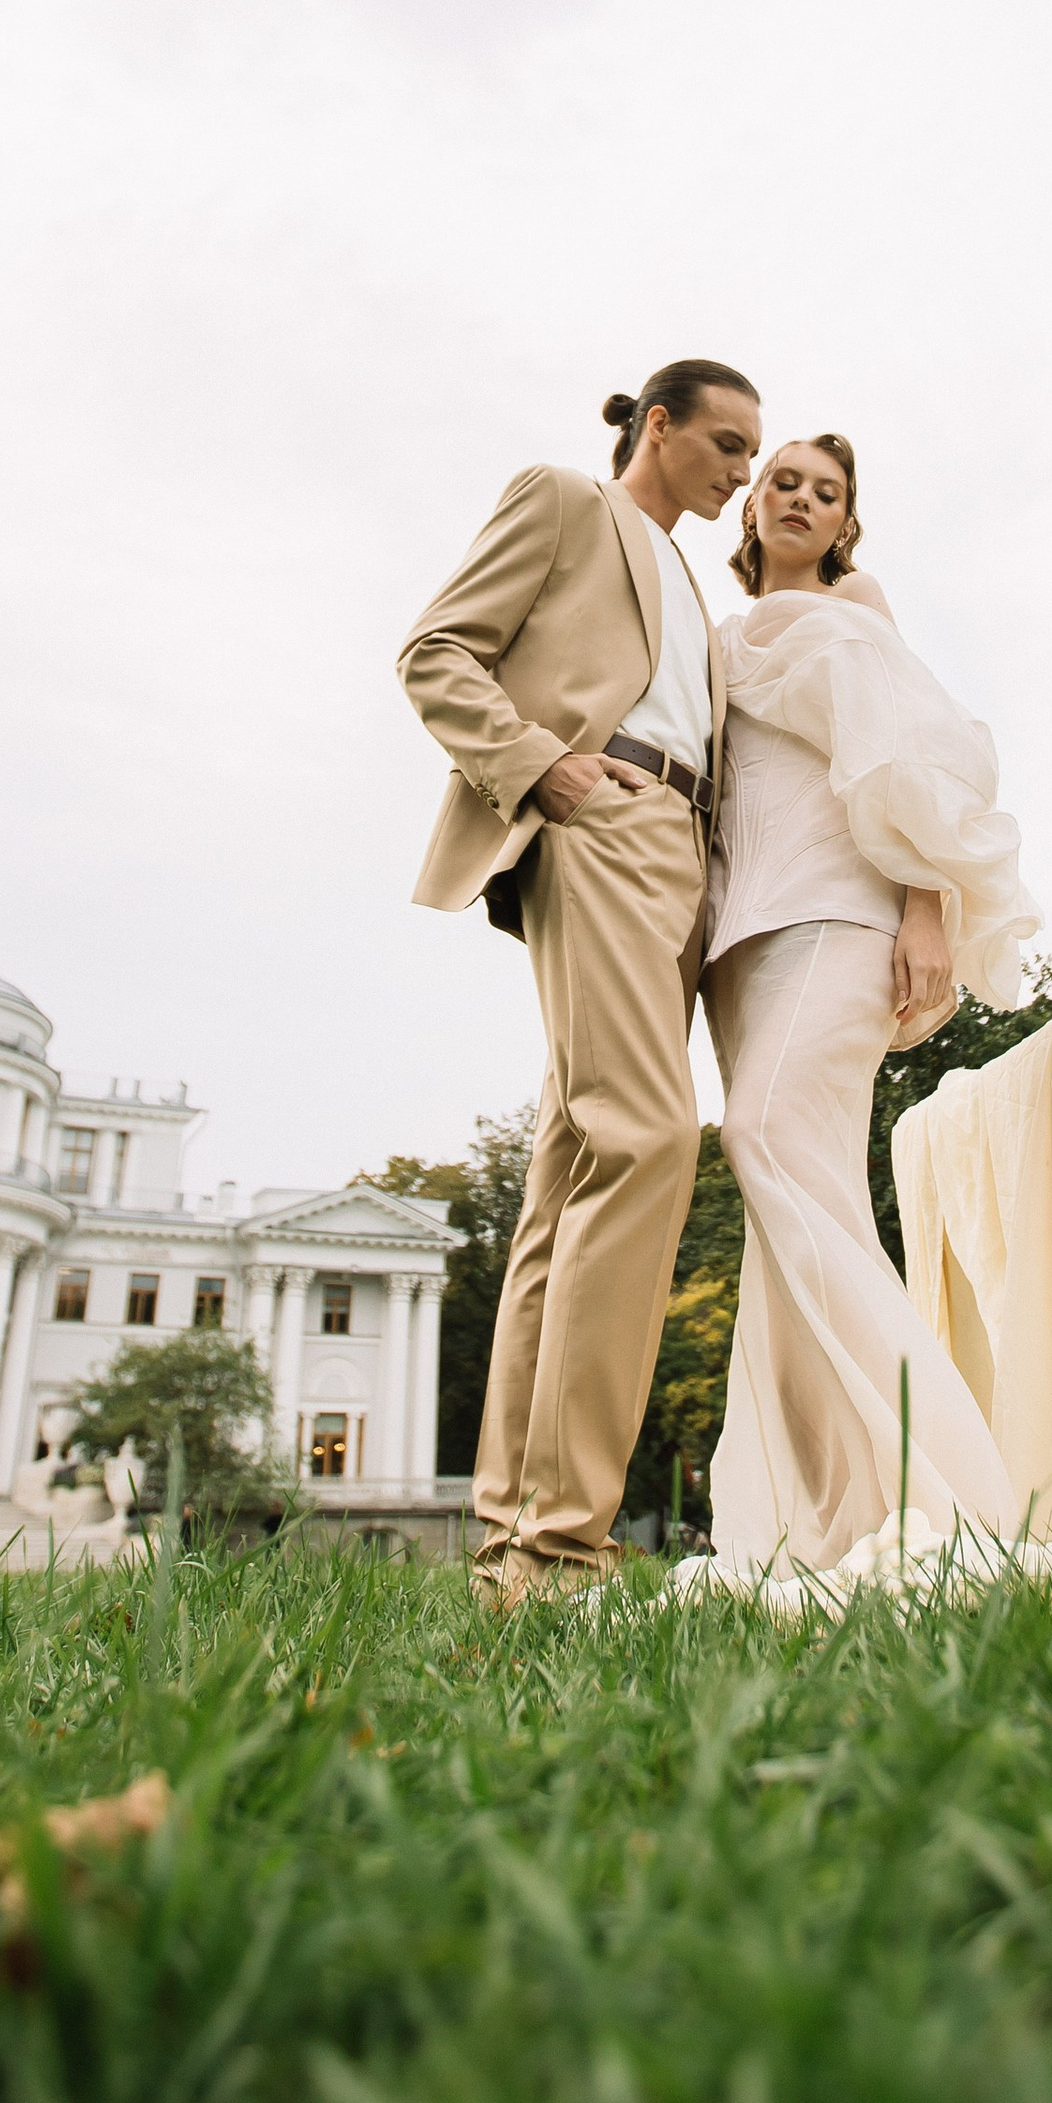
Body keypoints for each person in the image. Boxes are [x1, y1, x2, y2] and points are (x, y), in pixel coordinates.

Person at [400, 360, 762, 1602]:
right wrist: (539, 766)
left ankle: (512, 1537)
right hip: (595, 815)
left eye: (752, 454)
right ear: (654, 426)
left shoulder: (696, 591)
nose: (742, 471)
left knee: (571, 1175)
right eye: (724, 441)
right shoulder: (563, 500)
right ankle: (565, 1545)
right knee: (652, 1136)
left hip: (683, 855)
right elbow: (438, 651)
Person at [697, 432, 1039, 1582]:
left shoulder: (857, 610)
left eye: (826, 492)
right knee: (797, 1203)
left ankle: (945, 1490)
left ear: (845, 525)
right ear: (750, 506)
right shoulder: (720, 635)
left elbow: (906, 760)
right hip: (740, 938)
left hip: (843, 913)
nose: (800, 499)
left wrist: (927, 907)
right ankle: (830, 1516)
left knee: (762, 1141)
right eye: (782, 482)